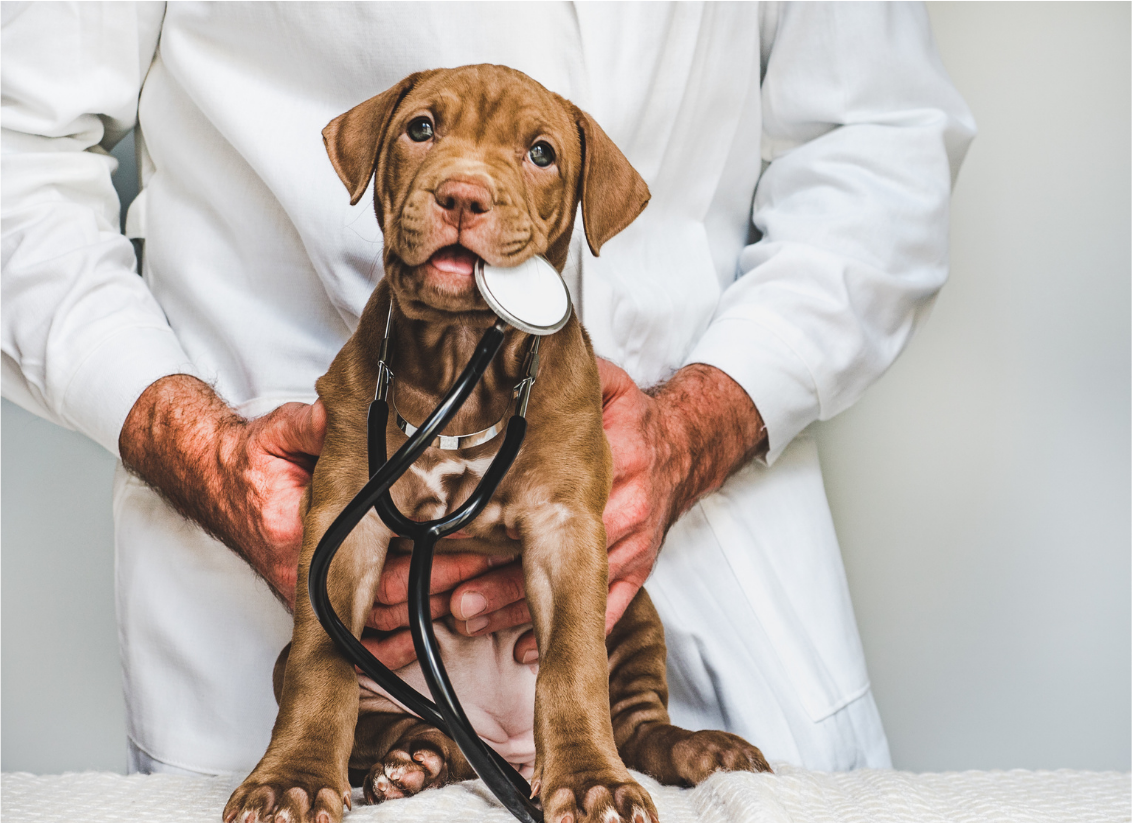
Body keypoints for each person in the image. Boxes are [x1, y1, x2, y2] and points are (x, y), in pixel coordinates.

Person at [0, 2, 974, 777]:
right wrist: (206, 452)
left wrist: (697, 425)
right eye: (426, 136)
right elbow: (20, 150)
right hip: (278, 595)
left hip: (704, 603)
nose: (468, 186)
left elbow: (876, 139)